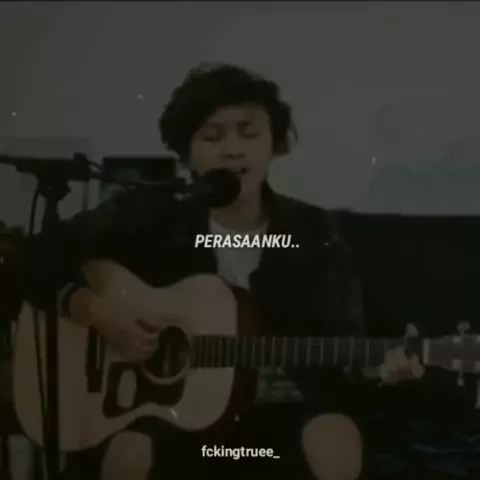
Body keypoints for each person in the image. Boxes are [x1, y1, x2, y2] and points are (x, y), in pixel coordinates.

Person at [19, 63, 422, 480]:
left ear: (275, 145)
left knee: (337, 443)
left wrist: (379, 369)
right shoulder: (151, 218)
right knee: (127, 456)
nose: (233, 150)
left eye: (250, 134)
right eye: (213, 137)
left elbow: (345, 341)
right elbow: (28, 256)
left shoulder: (313, 230)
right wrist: (98, 313)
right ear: (188, 153)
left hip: (285, 406)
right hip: (171, 411)